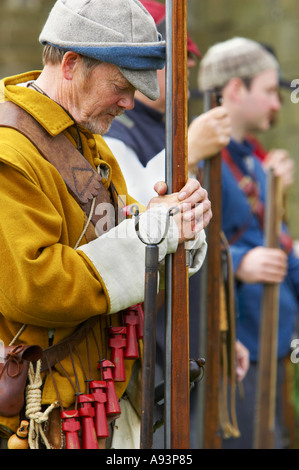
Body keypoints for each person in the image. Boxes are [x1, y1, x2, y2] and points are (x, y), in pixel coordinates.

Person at [0, 0, 212, 450]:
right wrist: (153, 236)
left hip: (100, 399)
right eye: (121, 85)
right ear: (72, 63)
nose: (130, 102)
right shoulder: (9, 154)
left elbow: (118, 224)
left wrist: (177, 223)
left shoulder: (85, 140)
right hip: (48, 417)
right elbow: (36, 287)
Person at [104, 0, 249, 449]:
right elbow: (131, 223)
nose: (182, 77)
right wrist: (187, 145)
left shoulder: (162, 123)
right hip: (145, 326)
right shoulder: (117, 129)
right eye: (171, 64)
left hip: (183, 316)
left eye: (186, 64)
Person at [198, 36, 299, 449]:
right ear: (236, 89)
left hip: (274, 337)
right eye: (270, 91)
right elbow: (183, 245)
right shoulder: (202, 159)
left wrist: (277, 193)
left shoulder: (250, 159)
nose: (278, 103)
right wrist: (238, 261)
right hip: (238, 348)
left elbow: (272, 239)